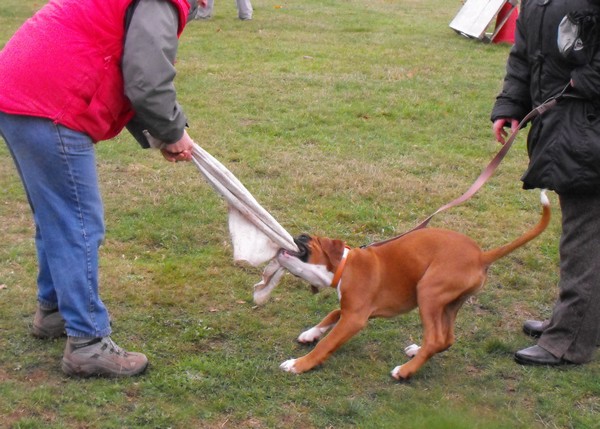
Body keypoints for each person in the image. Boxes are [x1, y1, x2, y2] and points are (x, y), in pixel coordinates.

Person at [0, 0, 204, 377]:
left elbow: (129, 67)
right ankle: (87, 342)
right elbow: (146, 76)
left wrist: (164, 134)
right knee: (78, 224)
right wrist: (171, 132)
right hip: (49, 100)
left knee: (55, 215)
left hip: (19, 88)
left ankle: (54, 310)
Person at [491, 0, 600, 366]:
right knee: (584, 231)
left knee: (584, 237)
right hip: (567, 126)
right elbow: (524, 54)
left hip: (588, 123)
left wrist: (584, 79)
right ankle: (579, 323)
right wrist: (511, 103)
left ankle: (569, 341)